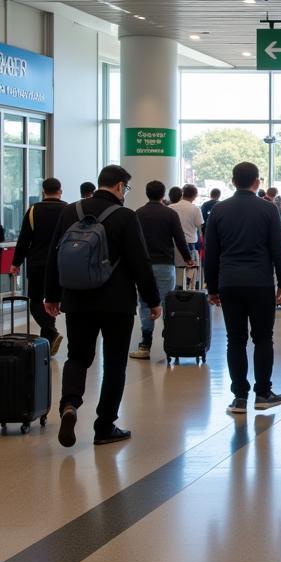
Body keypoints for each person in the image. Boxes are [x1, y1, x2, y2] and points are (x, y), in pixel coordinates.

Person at [45, 165, 161, 447]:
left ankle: (69, 404)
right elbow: (140, 263)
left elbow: (55, 254)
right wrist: (152, 300)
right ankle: (104, 426)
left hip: (77, 299)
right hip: (117, 303)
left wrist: (51, 295)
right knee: (114, 363)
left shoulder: (70, 211)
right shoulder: (125, 216)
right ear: (120, 186)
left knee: (78, 357)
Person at [204, 161, 281, 415]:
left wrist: (211, 287)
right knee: (263, 338)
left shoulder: (219, 210)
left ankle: (239, 396)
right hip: (261, 282)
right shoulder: (268, 209)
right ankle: (263, 393)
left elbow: (211, 253)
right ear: (257, 182)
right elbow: (279, 249)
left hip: (229, 283)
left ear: (233, 181)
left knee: (235, 340)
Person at [130, 180, 193, 360]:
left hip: (143, 266)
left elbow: (133, 241)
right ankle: (171, 343)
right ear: (163, 194)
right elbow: (179, 239)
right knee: (167, 303)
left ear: (147, 193)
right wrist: (188, 258)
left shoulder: (138, 214)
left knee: (145, 303)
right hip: (165, 265)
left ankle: (145, 345)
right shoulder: (170, 214)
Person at [11, 176, 67, 352]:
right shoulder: (68, 210)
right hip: (61, 264)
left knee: (35, 302)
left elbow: (24, 240)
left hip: (37, 263)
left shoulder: (33, 211)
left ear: (43, 191)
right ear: (60, 190)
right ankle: (49, 336)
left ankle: (50, 334)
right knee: (54, 298)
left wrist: (16, 262)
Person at [170, 183, 204, 275]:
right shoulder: (195, 209)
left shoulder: (171, 207)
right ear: (195, 195)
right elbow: (199, 226)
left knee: (174, 271)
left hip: (172, 243)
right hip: (189, 244)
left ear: (182, 193)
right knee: (190, 274)